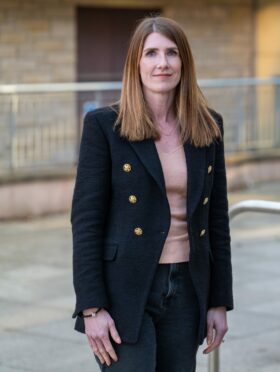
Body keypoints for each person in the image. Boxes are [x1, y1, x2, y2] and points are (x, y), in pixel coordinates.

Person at [71, 16, 233, 371]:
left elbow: (216, 219)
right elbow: (86, 222)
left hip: (187, 288)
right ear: (136, 64)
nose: (163, 63)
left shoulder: (209, 125)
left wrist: (218, 301)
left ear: (184, 63)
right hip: (124, 290)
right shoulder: (104, 127)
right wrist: (91, 307)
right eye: (152, 53)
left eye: (172, 53)